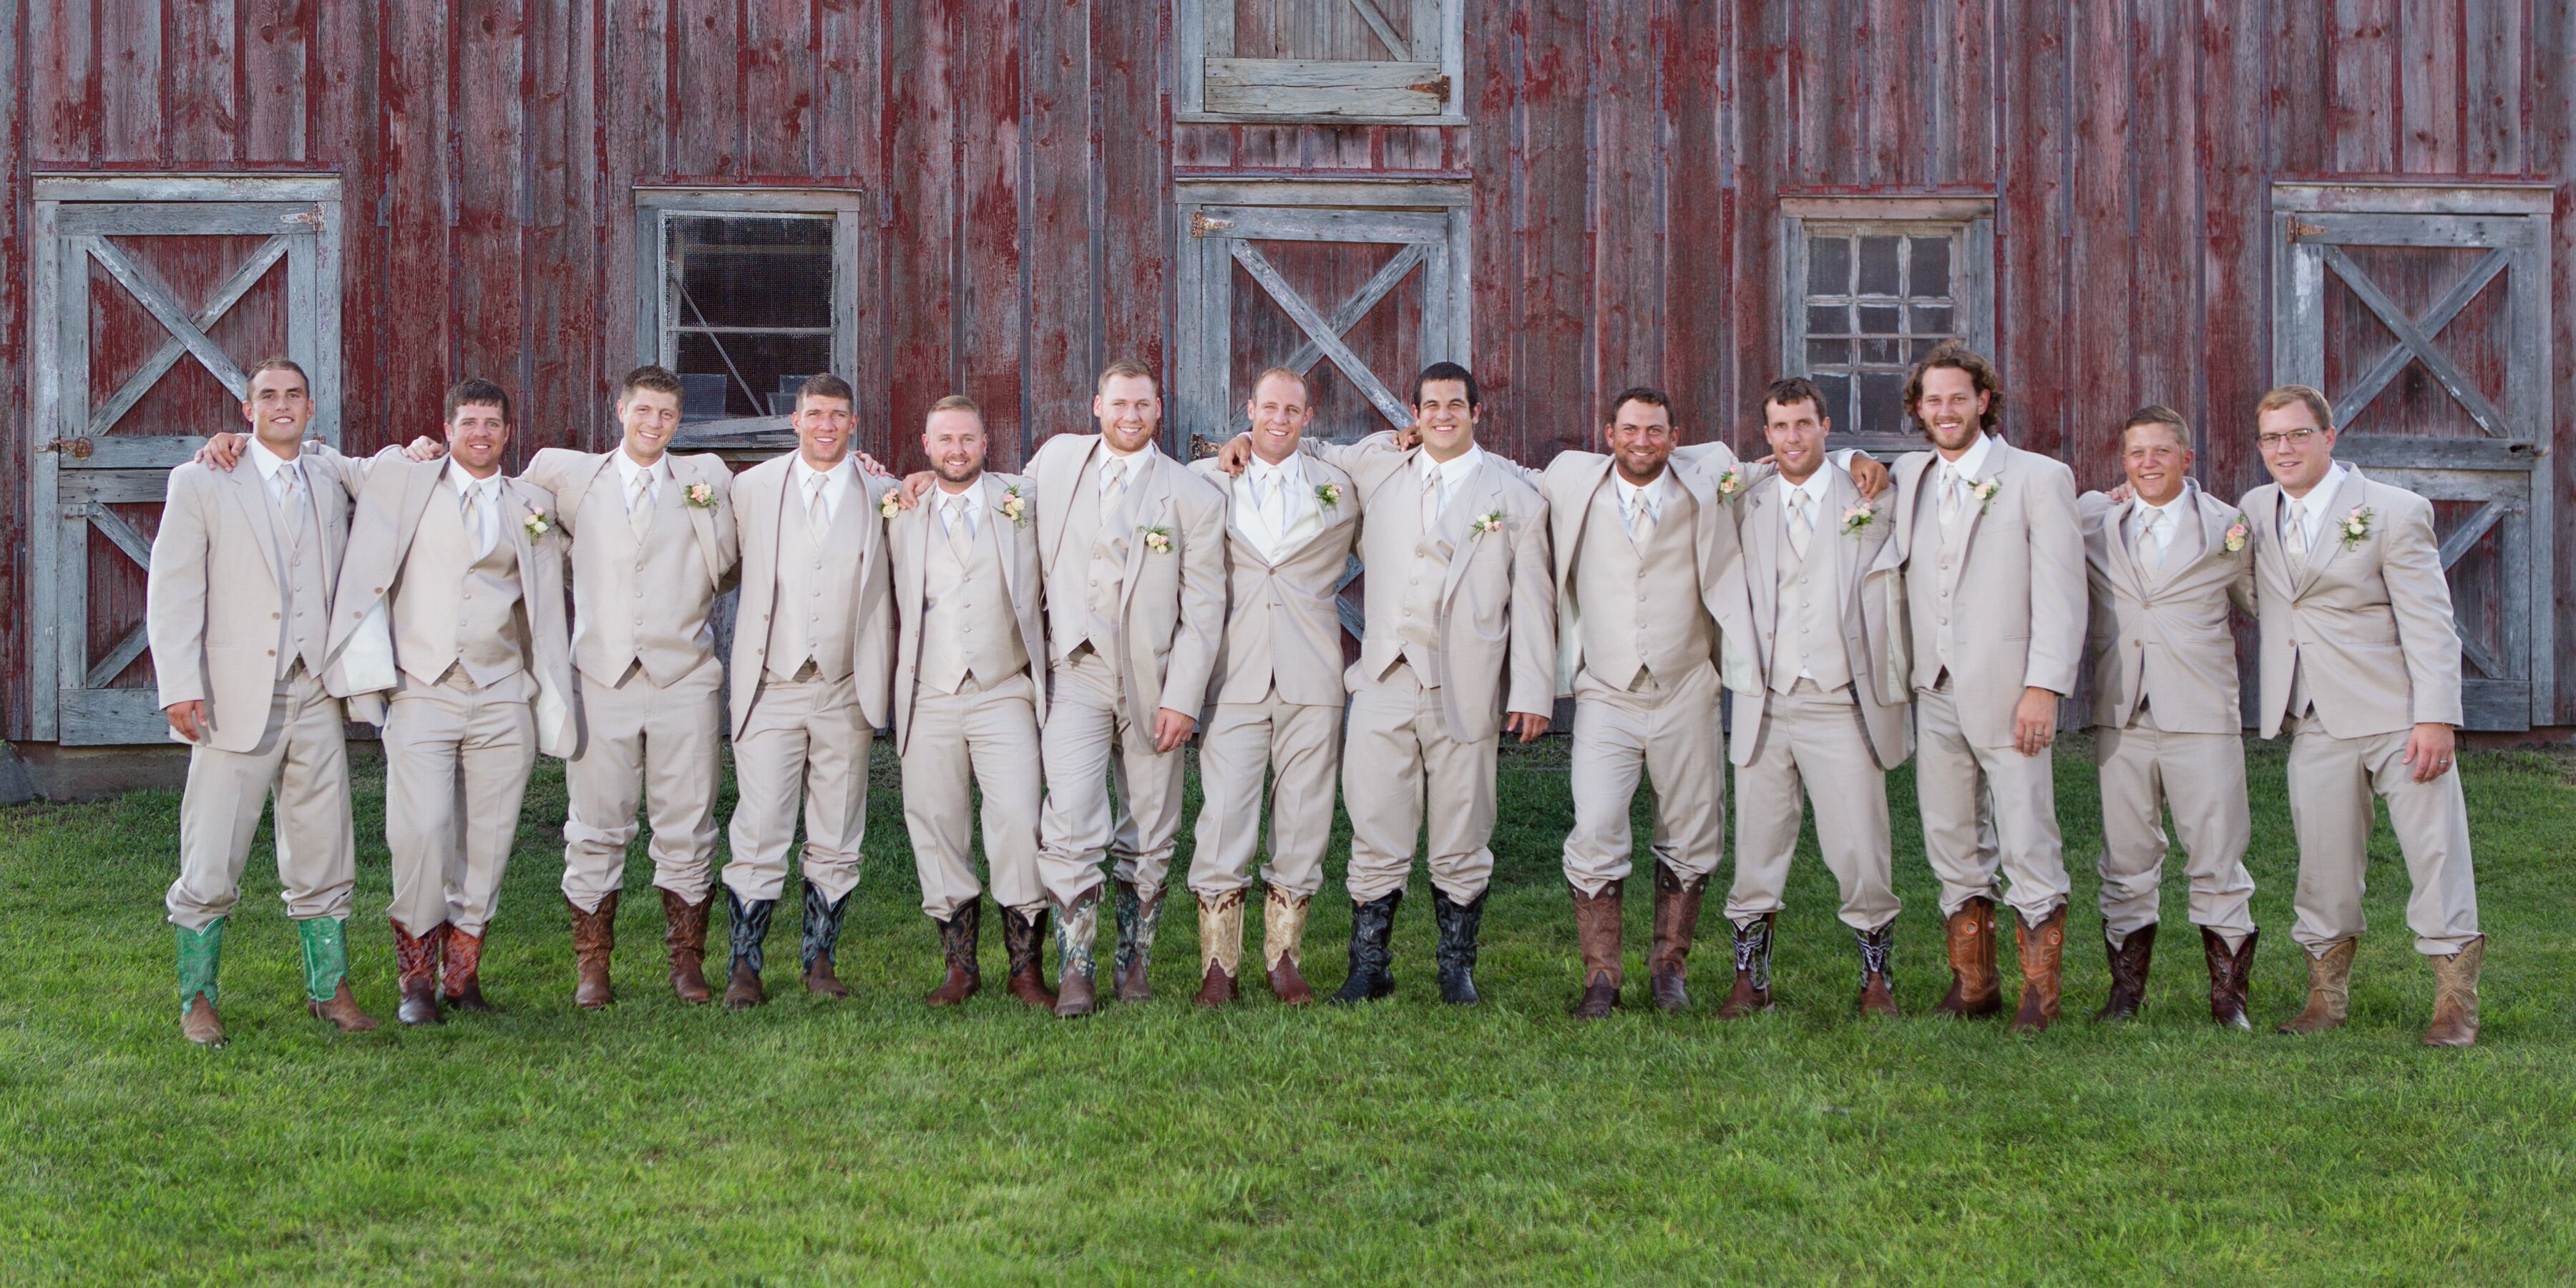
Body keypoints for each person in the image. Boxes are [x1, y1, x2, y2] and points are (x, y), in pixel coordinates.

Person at [1221, 361, 1553, 1007]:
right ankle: (1369, 965)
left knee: (1463, 825)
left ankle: (1456, 968)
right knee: (1375, 820)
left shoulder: (1513, 498)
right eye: (1431, 406)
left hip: (1466, 684)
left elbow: (1534, 604)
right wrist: (1237, 443)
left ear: (1477, 413)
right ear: (1416, 414)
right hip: (1381, 677)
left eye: (1456, 405)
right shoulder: (1377, 470)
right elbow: (1303, 447)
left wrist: (1533, 692)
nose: (1443, 416)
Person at [904, 360, 1226, 1017]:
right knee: (1070, 821)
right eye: (1118, 404)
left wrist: (1183, 697)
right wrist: (925, 480)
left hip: (1155, 683)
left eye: (1142, 404)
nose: (1129, 416)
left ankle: (1133, 964)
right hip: (1074, 674)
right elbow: (981, 491)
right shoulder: (1056, 464)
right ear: (1095, 405)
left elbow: (1206, 609)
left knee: (1152, 827)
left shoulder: (1192, 496)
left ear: (1158, 409)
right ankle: (1075, 967)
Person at [324, 378, 575, 1024]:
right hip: (423, 688)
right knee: (423, 832)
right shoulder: (404, 479)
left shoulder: (533, 502)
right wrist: (235, 441)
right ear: (448, 427)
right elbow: (319, 457)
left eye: (492, 424)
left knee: (489, 839)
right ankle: (416, 982)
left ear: (508, 433)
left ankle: (463, 976)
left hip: (501, 691)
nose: (481, 434)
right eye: (469, 423)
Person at [2240, 384, 2482, 1046]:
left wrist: (2436, 717)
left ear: (2329, 436)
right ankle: (2325, 1001)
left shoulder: (2393, 511)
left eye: (2296, 434)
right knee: (2322, 862)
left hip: (2397, 714)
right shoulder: (2256, 509)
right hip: (2312, 715)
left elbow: (2431, 622)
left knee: (2436, 855)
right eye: (2271, 438)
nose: (2283, 449)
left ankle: (2454, 1006)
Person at [147, 357, 377, 1044]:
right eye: (267, 397)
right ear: (247, 411)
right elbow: (175, 589)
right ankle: (197, 998)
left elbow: (399, 474)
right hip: (232, 695)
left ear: (311, 409)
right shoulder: (202, 480)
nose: (282, 406)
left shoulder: (331, 472)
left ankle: (328, 991)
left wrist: (428, 447)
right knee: (212, 851)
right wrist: (180, 684)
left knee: (324, 845)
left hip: (315, 692)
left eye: (294, 396)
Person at [1872, 341, 2085, 1033]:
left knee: (2027, 833)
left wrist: (2044, 687)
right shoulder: (1912, 473)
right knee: (1950, 836)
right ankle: (1974, 983)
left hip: (2008, 690)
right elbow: (1848, 470)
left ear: (1984, 401)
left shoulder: (2037, 477)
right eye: (1932, 400)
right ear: (1918, 408)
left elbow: (2062, 593)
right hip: (1931, 687)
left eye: (1957, 398)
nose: (1945, 411)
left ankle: (2039, 995)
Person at [522, 366, 741, 1008]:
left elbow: (730, 561)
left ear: (678, 421)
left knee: (689, 821)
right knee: (595, 823)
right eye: (643, 411)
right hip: (603, 675)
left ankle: (686, 963)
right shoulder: (566, 476)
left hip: (685, 677)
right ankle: (593, 966)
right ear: (619, 410)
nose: (654, 424)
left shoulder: (706, 479)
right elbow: (506, 501)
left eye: (667, 415)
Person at [1718, 378, 1911, 1018]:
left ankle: (1875, 976)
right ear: (1766, 436)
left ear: (1826, 427)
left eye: (1804, 424)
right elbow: (1690, 463)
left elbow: (1936, 468)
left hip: (1841, 698)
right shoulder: (1746, 497)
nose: (1793, 436)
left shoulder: (1872, 494)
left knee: (1860, 845)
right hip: (1766, 701)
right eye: (1780, 426)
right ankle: (1752, 978)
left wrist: (1856, 459)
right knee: (1757, 845)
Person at [2077, 406, 2260, 1027]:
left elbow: (2265, 600)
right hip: (2122, 711)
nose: (2148, 463)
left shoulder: (2228, 526)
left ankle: (2228, 995)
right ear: (2122, 462)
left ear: (2188, 458)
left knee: (2216, 849)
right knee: (2125, 854)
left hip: (2202, 712)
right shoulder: (2096, 521)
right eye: (2136, 453)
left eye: (2161, 451)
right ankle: (2126, 991)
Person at [1183, 367, 1361, 1007]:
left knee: (1306, 817)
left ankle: (1284, 958)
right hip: (1233, 672)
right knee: (1224, 814)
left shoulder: (1338, 487)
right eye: (1268, 408)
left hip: (1313, 674)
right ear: (1249, 409)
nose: (1279, 419)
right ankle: (1218, 967)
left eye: (1293, 410)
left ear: (1308, 418)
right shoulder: (1205, 481)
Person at [717, 374, 896, 1008]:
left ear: (854, 423)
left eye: (838, 416)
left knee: (838, 828)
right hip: (773, 685)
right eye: (815, 414)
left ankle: (821, 957)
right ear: (795, 421)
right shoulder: (752, 488)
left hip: (847, 687)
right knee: (760, 823)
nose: (826, 425)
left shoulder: (884, 492)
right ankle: (746, 963)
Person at [887, 395, 1058, 1010]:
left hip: (1003, 687)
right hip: (928, 690)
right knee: (936, 824)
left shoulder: (1024, 499)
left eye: (967, 439)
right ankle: (960, 967)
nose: (956, 450)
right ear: (926, 446)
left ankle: (1025, 967)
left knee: (1017, 819)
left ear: (986, 443)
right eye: (944, 440)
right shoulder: (899, 507)